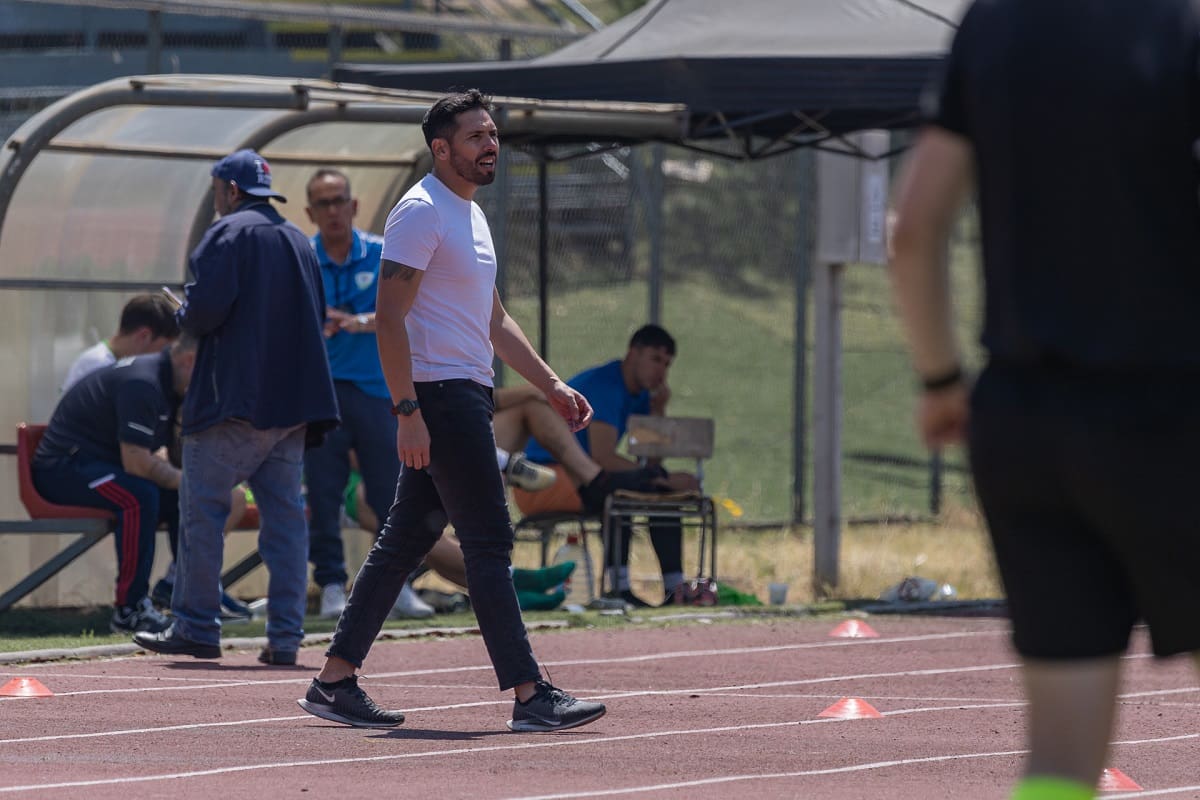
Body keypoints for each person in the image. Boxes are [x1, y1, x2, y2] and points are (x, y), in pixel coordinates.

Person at [887, 4, 1200, 799]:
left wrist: (940, 381)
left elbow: (913, 228)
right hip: (1169, 410)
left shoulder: (993, 23)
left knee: (1060, 758)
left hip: (1023, 420)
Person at [297, 89, 606, 732]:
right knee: (488, 541)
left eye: (492, 134)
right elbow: (388, 319)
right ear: (441, 149)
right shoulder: (420, 211)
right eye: (475, 137)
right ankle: (529, 693)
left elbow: (494, 319)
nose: (490, 145)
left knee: (404, 539)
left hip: (468, 392)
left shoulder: (471, 213)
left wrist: (550, 384)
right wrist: (407, 409)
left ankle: (333, 681)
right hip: (439, 396)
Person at [134, 148, 339, 667]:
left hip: (232, 401)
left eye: (216, 192)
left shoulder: (226, 233)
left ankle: (197, 627)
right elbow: (315, 314)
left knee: (202, 515)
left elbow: (202, 316)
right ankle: (285, 638)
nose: (216, 201)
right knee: (285, 522)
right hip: (292, 406)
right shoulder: (298, 239)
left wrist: (184, 310)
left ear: (229, 189)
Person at [301, 167, 435, 621]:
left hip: (379, 391)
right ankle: (331, 585)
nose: (333, 211)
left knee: (391, 491)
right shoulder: (304, 258)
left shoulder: (381, 253)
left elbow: (411, 309)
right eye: (323, 204)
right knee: (323, 494)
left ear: (354, 206)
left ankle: (398, 586)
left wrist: (359, 323)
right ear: (310, 213)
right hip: (322, 395)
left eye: (339, 201)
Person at [517, 324, 699, 607]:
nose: (661, 371)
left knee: (661, 496)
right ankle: (620, 589)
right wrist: (662, 476)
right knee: (620, 494)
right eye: (655, 359)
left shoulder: (641, 396)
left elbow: (650, 460)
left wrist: (658, 411)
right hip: (541, 479)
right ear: (633, 353)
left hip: (579, 477)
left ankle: (674, 590)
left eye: (667, 364)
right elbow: (603, 458)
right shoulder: (607, 384)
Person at [32, 336, 198, 634]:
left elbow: (168, 455)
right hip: (62, 469)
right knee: (140, 496)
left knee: (178, 497)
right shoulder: (144, 382)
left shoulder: (169, 384)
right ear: (190, 361)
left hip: (101, 466)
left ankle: (189, 599)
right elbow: (137, 463)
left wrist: (191, 482)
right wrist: (191, 483)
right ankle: (129, 609)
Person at [62, 293, 180, 392]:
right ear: (144, 336)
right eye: (165, 348)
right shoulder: (97, 365)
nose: (164, 356)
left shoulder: (112, 362)